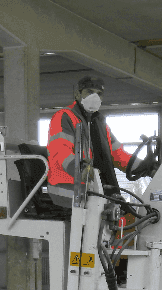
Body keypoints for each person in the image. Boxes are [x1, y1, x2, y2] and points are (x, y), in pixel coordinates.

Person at [46, 76, 156, 207]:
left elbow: (117, 155)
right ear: (77, 94)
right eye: (89, 92)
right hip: (68, 195)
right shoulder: (64, 117)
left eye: (99, 93)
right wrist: (83, 170)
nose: (95, 97)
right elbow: (60, 152)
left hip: (96, 193)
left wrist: (146, 167)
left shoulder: (100, 123)